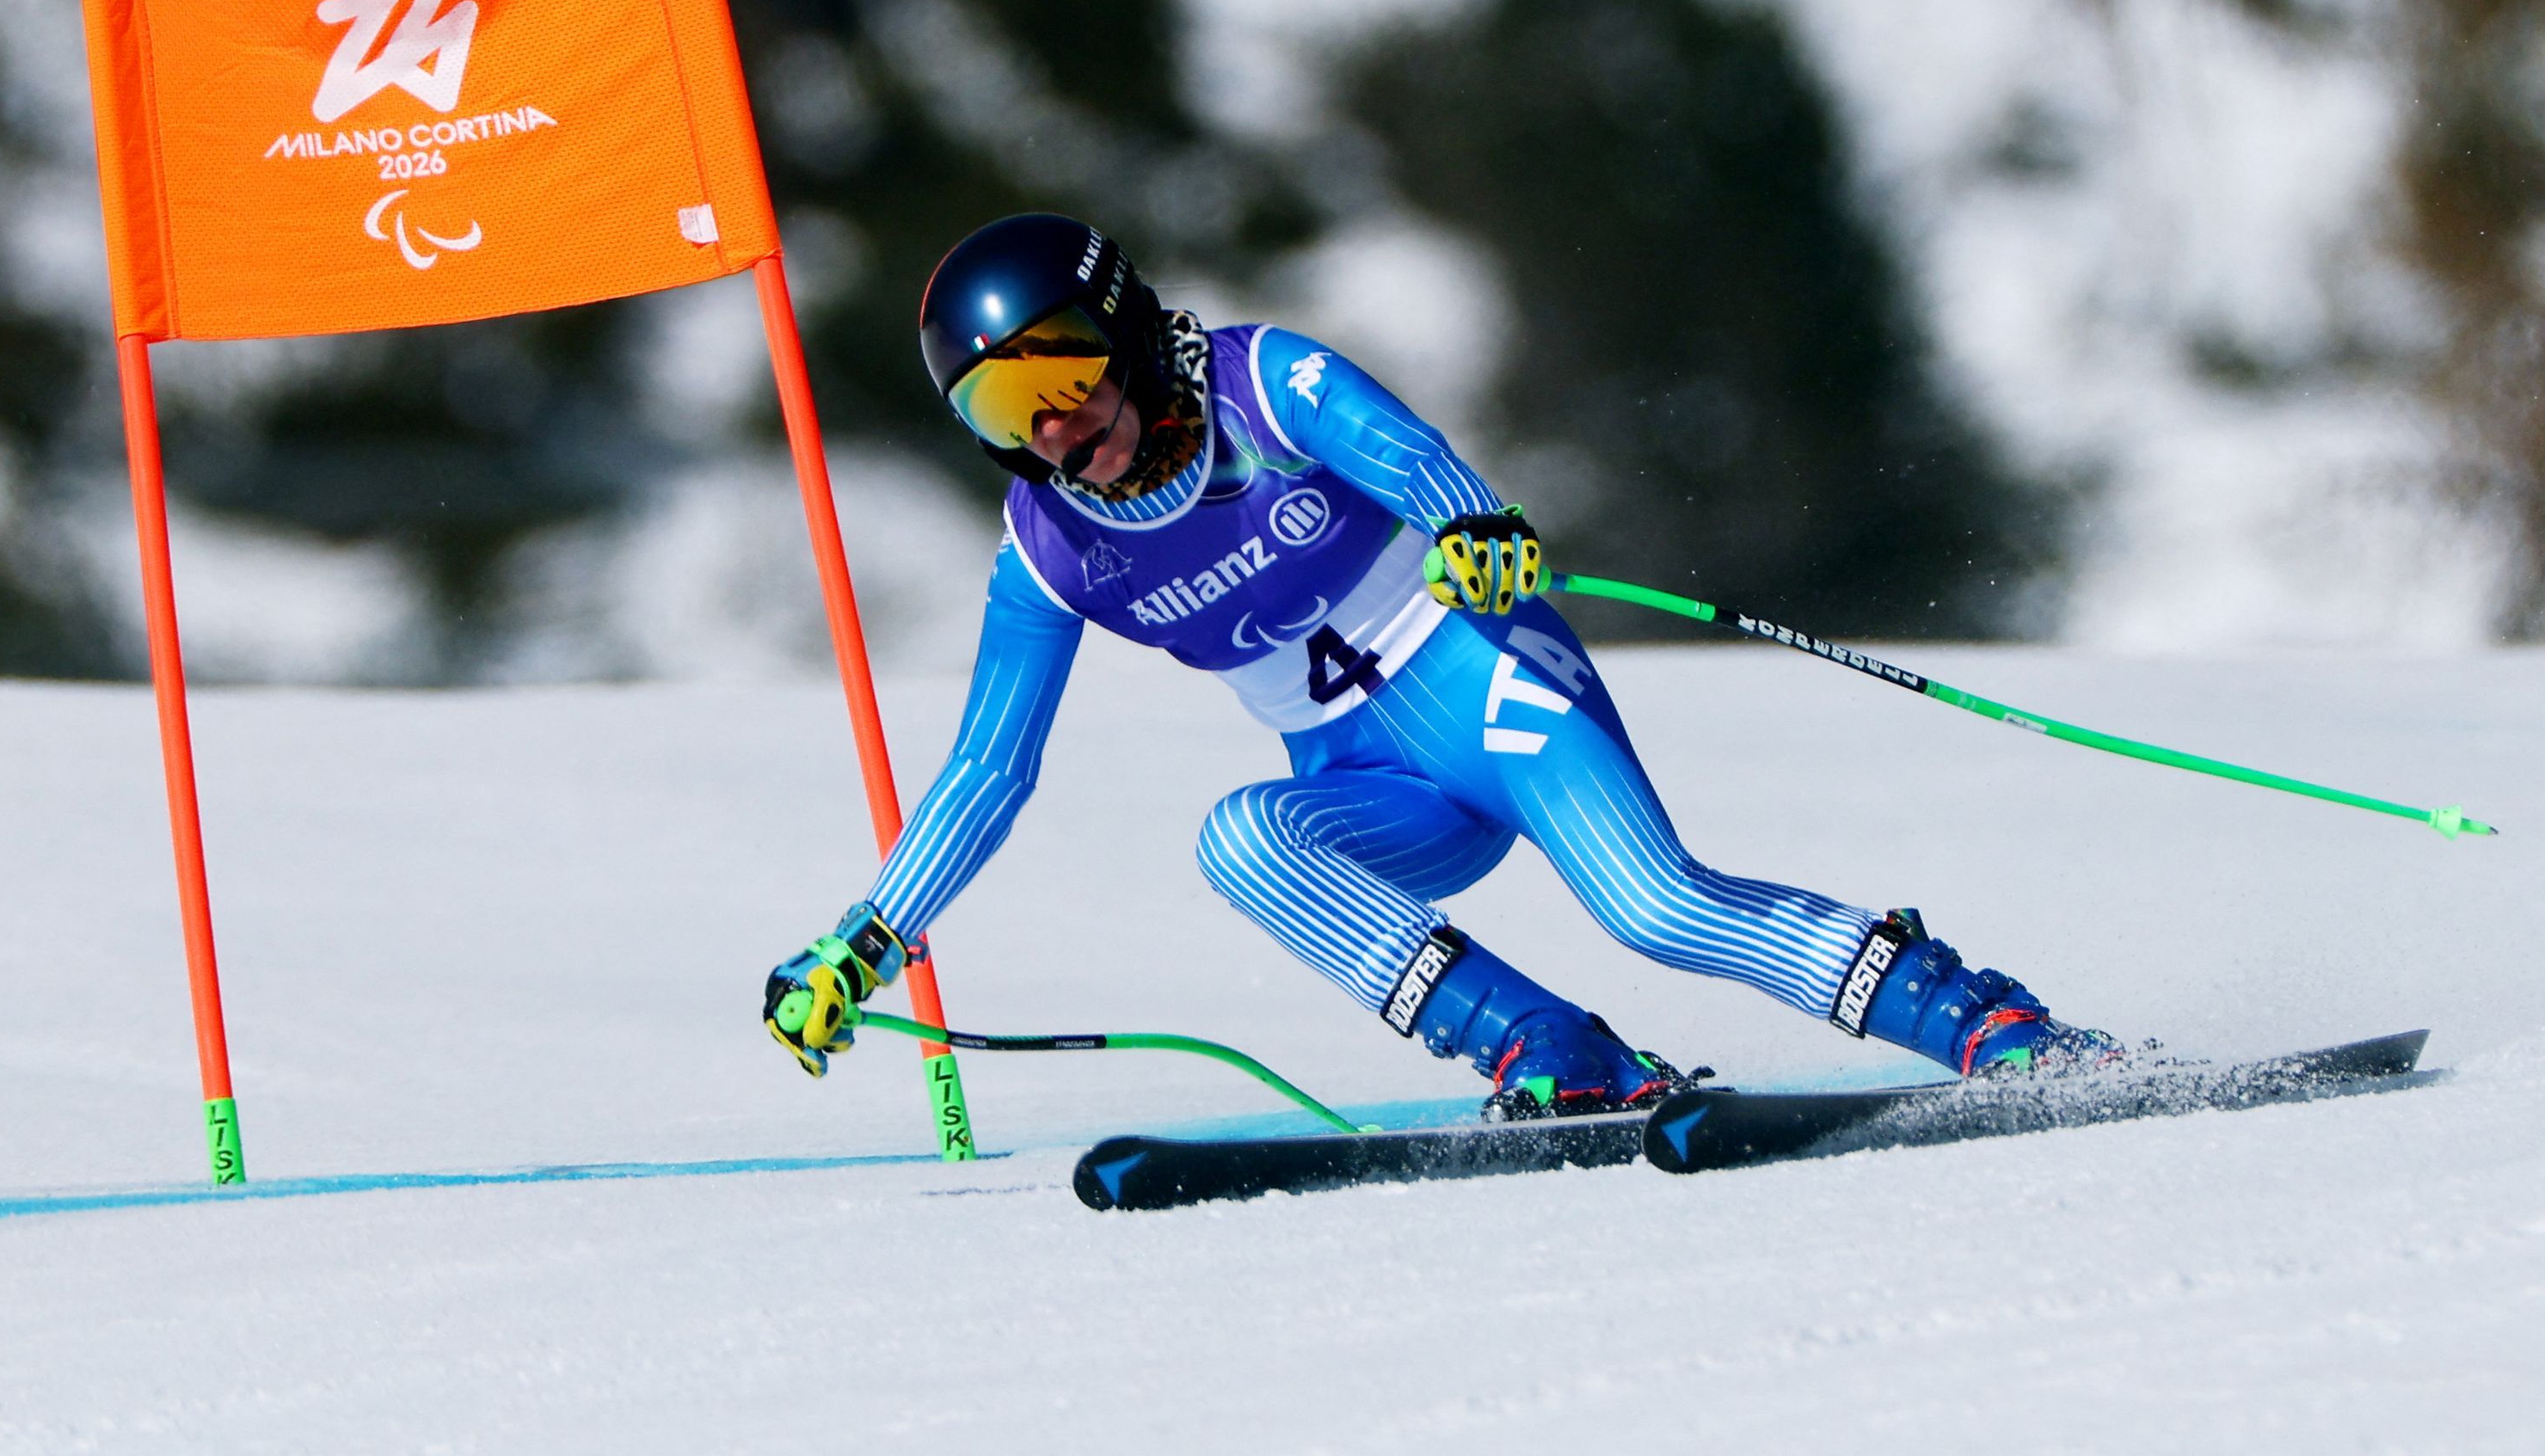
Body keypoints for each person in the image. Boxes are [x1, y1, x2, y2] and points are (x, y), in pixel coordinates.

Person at [764, 214, 2109, 1118]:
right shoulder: (1052, 546)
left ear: (1119, 324)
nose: (1059, 428)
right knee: (1242, 841)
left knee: (1655, 908)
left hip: (1487, 682)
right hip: (1375, 786)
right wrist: (863, 941)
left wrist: (1474, 522)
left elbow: (1409, 453)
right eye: (1006, 409)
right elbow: (989, 768)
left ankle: (1984, 1024)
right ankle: (1554, 1051)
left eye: (1060, 372)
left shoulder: (1260, 385)